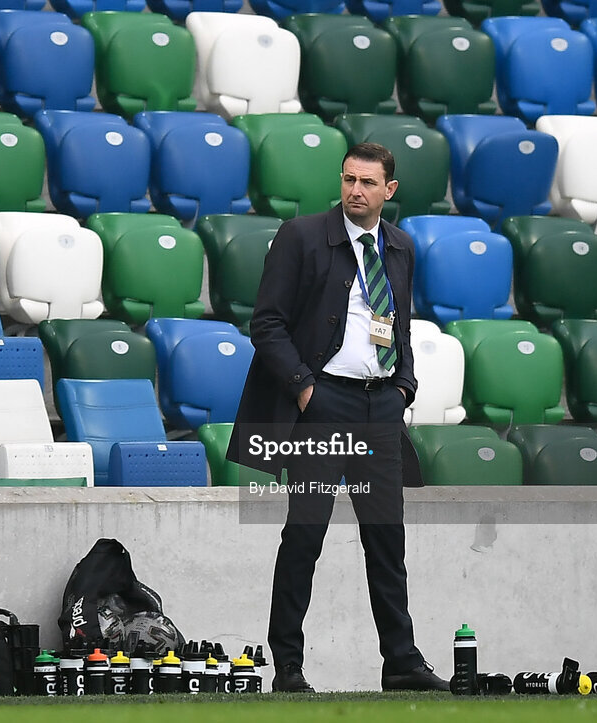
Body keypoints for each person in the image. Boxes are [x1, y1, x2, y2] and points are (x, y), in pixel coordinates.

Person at [228, 142, 448, 693]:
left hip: (381, 407)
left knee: (387, 541)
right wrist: (305, 390)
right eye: (349, 179)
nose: (356, 190)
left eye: (368, 183)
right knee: (305, 536)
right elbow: (267, 324)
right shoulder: (301, 236)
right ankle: (287, 667)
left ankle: (401, 662)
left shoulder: (400, 246)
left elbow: (400, 326)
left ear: (389, 190)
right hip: (323, 405)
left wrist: (404, 386)